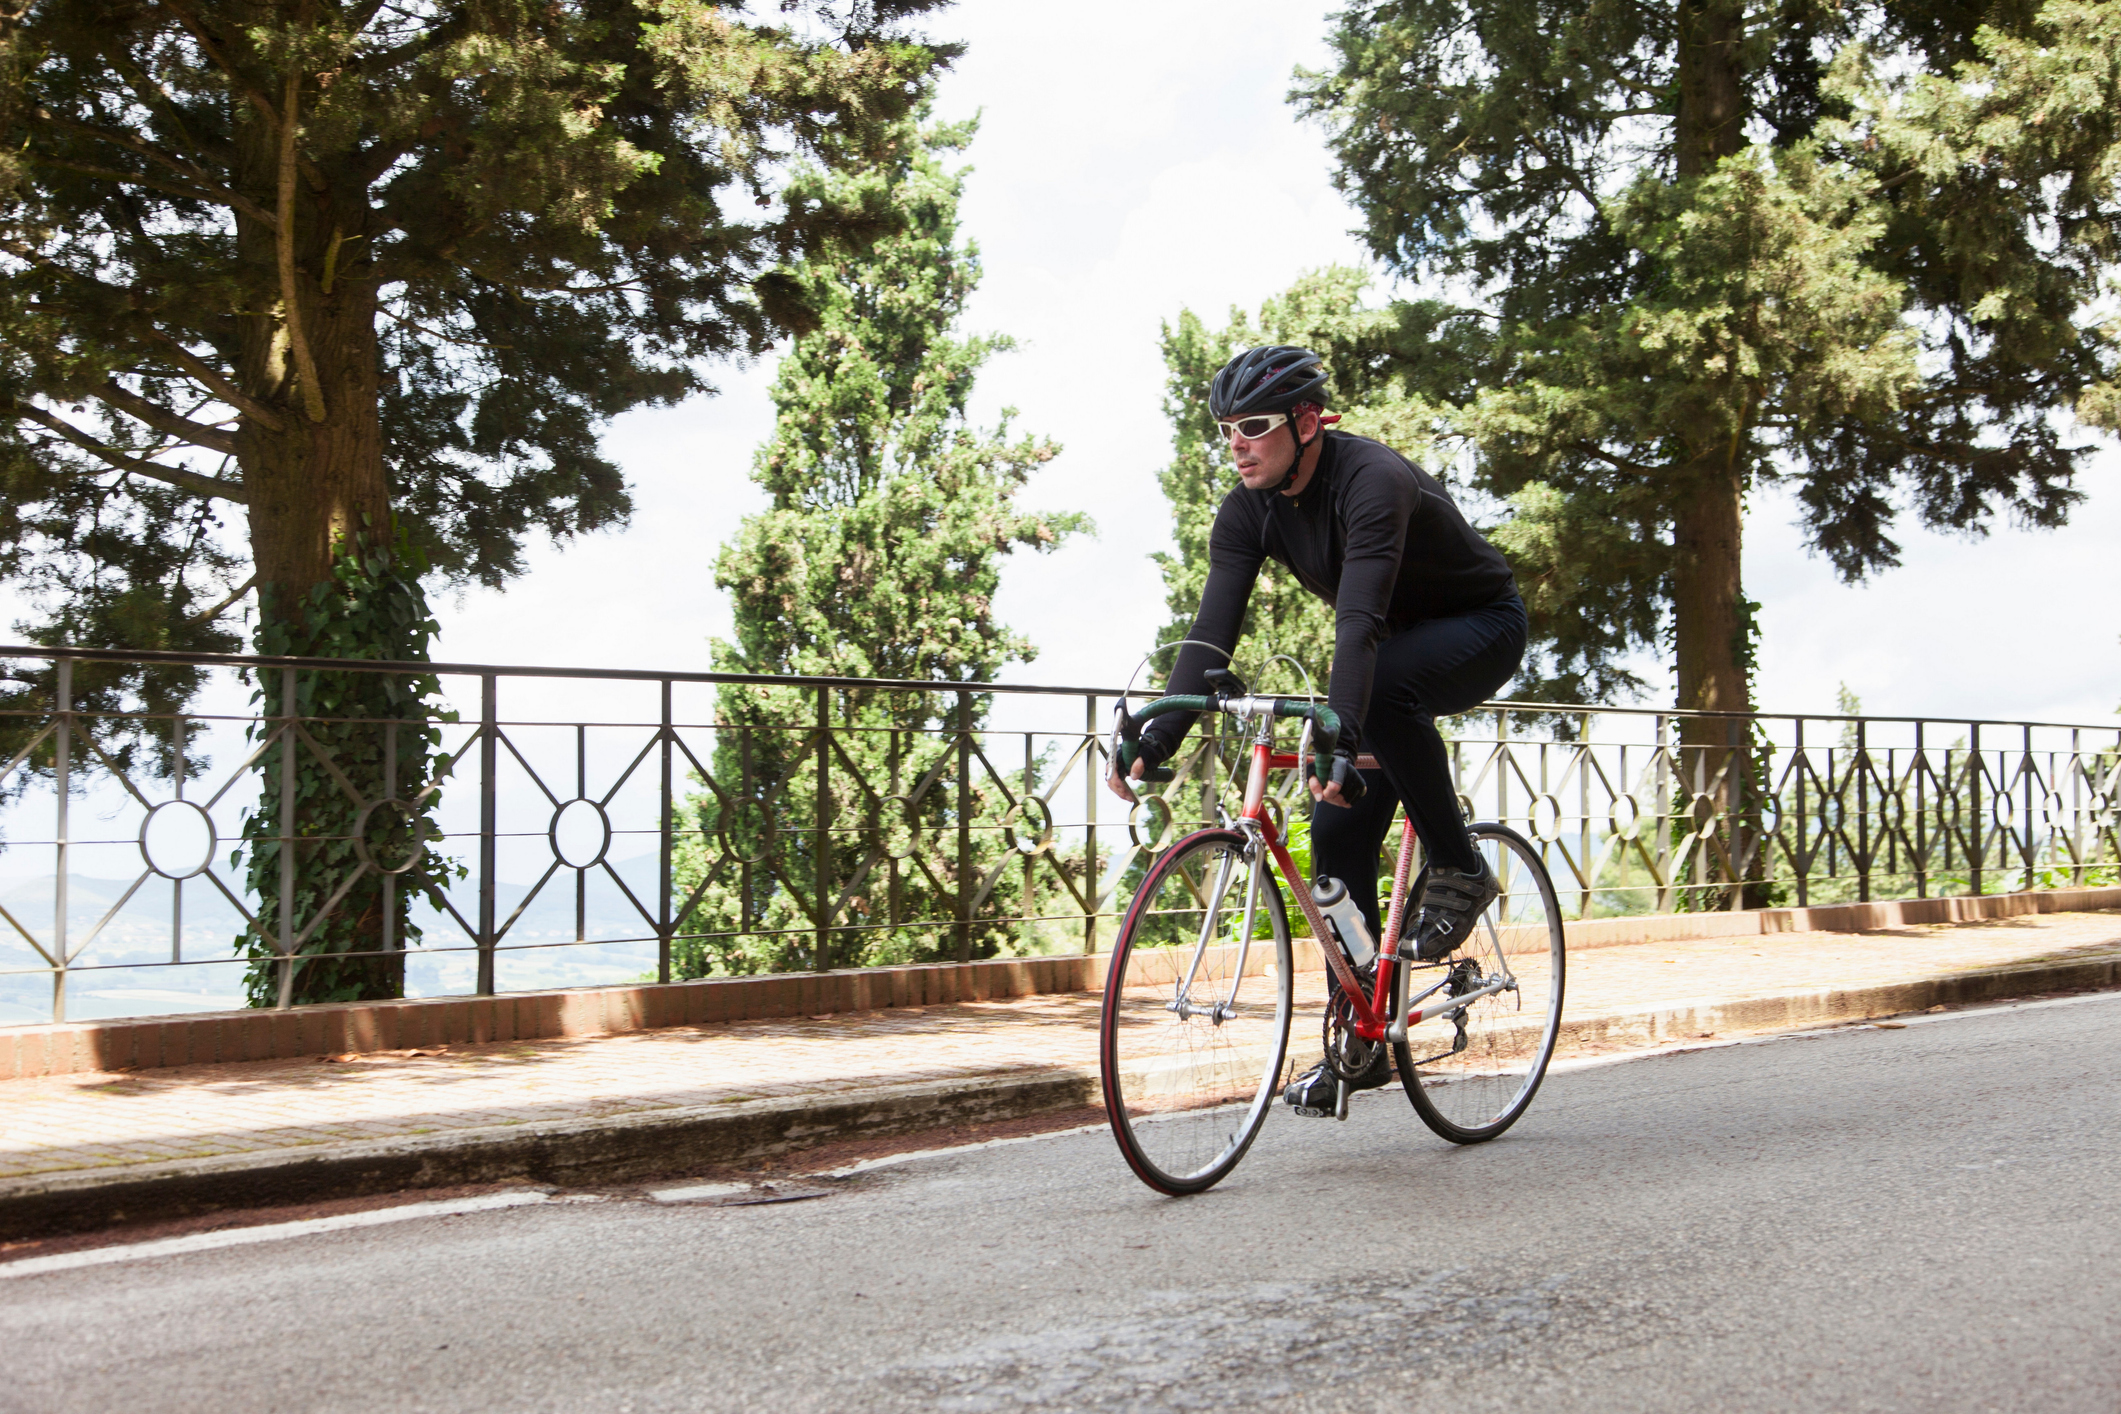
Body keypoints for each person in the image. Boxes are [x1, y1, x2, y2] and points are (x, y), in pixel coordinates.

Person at [1106, 344, 1527, 1115]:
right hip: (1385, 657)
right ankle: (1363, 1036)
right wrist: (1156, 735)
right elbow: (1210, 636)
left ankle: (1459, 865)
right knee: (1333, 840)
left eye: (1253, 427)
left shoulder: (1372, 480)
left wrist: (1339, 732)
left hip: (1479, 627)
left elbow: (1357, 623)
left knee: (1385, 689)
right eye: (1226, 430)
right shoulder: (1247, 510)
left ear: (1306, 423)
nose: (1237, 445)